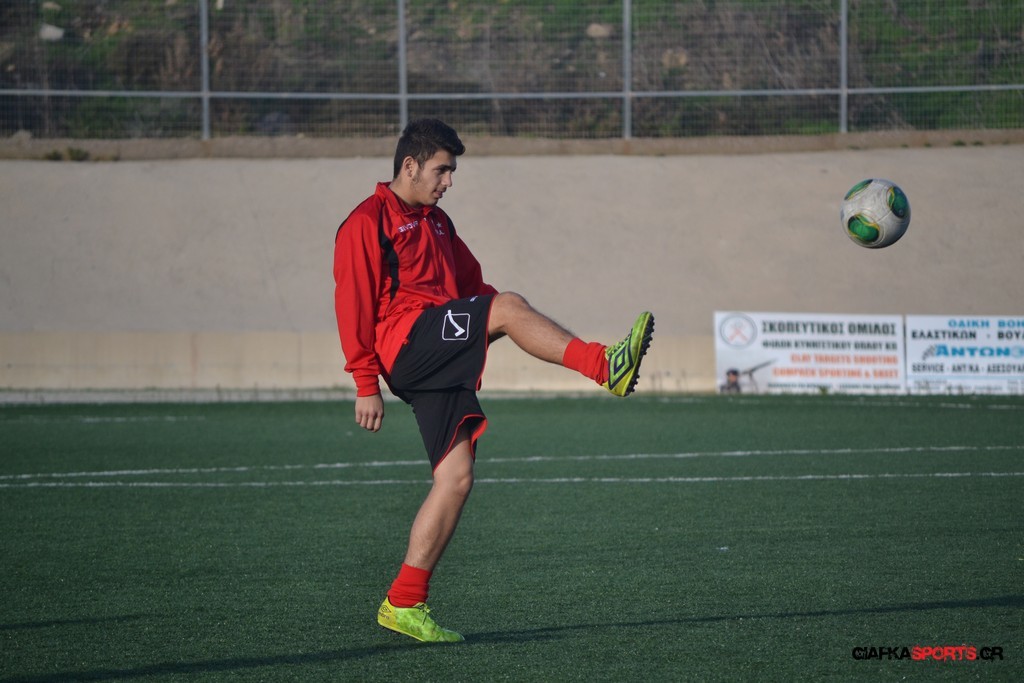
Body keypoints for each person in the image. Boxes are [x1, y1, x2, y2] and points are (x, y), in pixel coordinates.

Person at [333, 118, 654, 643]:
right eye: (441, 171)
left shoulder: (439, 223)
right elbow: (353, 304)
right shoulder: (367, 221)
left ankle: (404, 601)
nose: (448, 182)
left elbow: (474, 288)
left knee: (456, 478)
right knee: (505, 307)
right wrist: (364, 382)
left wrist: (515, 319)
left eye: (452, 173)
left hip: (439, 348)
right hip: (406, 343)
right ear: (409, 165)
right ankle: (604, 366)